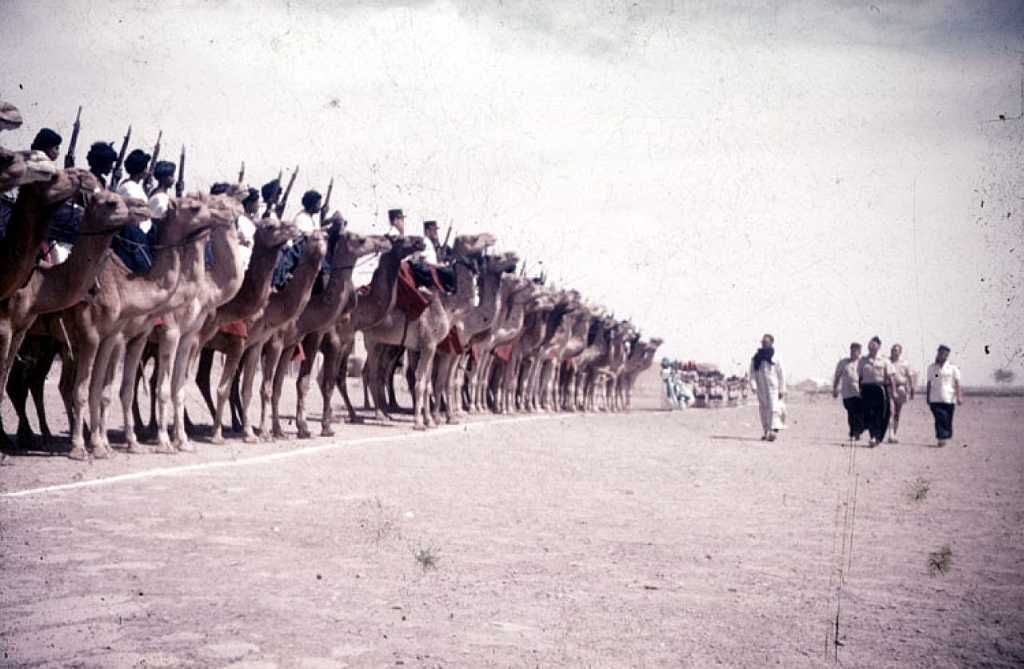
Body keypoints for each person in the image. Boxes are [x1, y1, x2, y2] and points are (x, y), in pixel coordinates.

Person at [857, 336, 895, 447]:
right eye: (870, 344)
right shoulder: (863, 360)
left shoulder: (884, 361)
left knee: (880, 414)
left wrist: (893, 392)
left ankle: (876, 437)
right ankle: (873, 436)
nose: (871, 346)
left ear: (879, 346)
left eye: (874, 344)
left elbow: (891, 378)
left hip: (879, 390)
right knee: (868, 414)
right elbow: (860, 377)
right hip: (866, 389)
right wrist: (859, 390)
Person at [750, 333, 785, 441]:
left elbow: (781, 374)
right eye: (762, 342)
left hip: (773, 388)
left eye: (766, 342)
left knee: (773, 408)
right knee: (763, 409)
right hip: (761, 387)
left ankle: (772, 431)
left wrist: (782, 389)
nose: (764, 344)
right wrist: (753, 385)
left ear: (771, 343)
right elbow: (752, 372)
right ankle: (766, 431)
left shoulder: (776, 357)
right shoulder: (756, 357)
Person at [925, 345, 962, 447]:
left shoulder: (953, 368)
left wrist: (959, 396)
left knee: (948, 418)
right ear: (938, 353)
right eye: (940, 353)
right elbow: (930, 382)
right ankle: (941, 438)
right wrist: (927, 396)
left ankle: (946, 435)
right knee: (940, 417)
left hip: (949, 398)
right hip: (935, 398)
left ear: (947, 355)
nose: (942, 355)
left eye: (945, 354)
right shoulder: (932, 368)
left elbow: (957, 383)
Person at [833, 342, 865, 441]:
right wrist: (835, 389)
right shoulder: (843, 362)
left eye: (855, 351)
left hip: (859, 392)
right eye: (852, 350)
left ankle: (857, 432)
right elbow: (837, 376)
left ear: (859, 352)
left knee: (859, 412)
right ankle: (852, 431)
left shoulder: (863, 363)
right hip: (847, 393)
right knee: (851, 413)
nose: (853, 353)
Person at [887, 343, 915, 443]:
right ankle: (890, 434)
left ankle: (894, 434)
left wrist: (912, 389)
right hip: (889, 389)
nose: (894, 352)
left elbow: (910, 376)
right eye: (893, 350)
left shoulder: (905, 363)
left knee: (897, 413)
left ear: (900, 352)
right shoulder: (887, 361)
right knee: (891, 411)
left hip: (901, 389)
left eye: (896, 350)